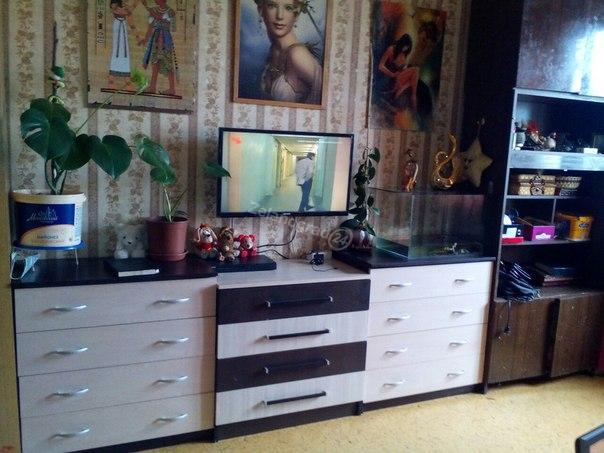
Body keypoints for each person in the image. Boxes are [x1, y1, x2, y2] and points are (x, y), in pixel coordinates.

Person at [255, 0, 323, 104]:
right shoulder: (274, 50)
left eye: (288, 8)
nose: (280, 16)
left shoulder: (297, 55)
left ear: (296, 16)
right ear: (261, 10)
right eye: (272, 6)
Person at [138, 0, 178, 95]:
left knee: (168, 63)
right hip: (155, 39)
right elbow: (150, 27)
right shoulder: (154, 10)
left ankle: (172, 88)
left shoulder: (170, 11)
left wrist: (146, 7)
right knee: (155, 63)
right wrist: (145, 39)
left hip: (166, 40)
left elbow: (160, 17)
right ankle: (152, 87)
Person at [378, 33, 419, 110]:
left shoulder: (404, 53)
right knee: (416, 70)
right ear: (401, 43)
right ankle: (412, 96)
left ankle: (401, 91)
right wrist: (392, 74)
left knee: (412, 79)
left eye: (407, 47)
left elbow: (402, 66)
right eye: (405, 46)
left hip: (400, 76)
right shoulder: (391, 49)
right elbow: (381, 66)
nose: (405, 49)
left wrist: (405, 67)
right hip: (393, 77)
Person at [108, 0, 134, 89]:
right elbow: (117, 9)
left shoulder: (123, 4)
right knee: (117, 51)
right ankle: (111, 82)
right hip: (118, 26)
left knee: (124, 52)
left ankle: (127, 82)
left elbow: (128, 11)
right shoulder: (116, 4)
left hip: (122, 26)